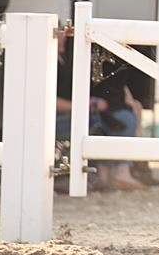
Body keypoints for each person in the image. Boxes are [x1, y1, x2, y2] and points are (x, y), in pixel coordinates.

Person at [55, 33, 146, 192]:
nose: (64, 37)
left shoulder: (65, 60)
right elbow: (49, 99)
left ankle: (110, 174)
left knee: (122, 115)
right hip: (63, 115)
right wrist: (84, 106)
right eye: (60, 32)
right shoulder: (51, 64)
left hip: (79, 109)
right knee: (113, 120)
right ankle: (115, 172)